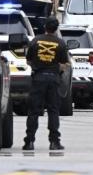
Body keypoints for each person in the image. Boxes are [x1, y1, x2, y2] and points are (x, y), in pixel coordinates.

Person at [23, 18, 71, 151]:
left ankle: (29, 141)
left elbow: (28, 60)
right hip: (54, 79)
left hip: (38, 79)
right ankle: (54, 142)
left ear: (45, 27)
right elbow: (65, 65)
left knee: (33, 111)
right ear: (56, 29)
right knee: (53, 111)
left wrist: (38, 65)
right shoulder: (60, 43)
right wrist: (55, 68)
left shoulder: (35, 41)